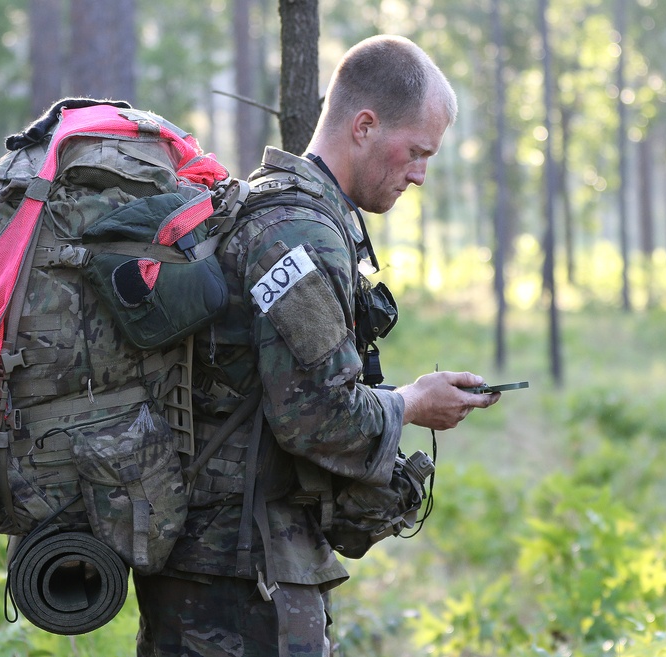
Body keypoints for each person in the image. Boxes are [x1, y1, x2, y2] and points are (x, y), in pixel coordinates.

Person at [132, 34, 501, 657]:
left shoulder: (273, 207)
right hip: (243, 573)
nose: (420, 173)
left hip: (217, 563)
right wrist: (411, 403)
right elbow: (319, 417)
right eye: (416, 152)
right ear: (364, 126)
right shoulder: (299, 234)